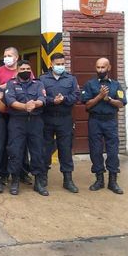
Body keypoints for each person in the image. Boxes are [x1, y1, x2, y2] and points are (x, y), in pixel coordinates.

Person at [0, 60, 46, 196]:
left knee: (37, 152)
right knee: (15, 152)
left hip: (35, 122)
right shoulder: (11, 84)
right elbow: (10, 101)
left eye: (28, 68)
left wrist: (35, 104)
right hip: (17, 122)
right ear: (18, 70)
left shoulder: (38, 83)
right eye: (23, 68)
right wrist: (25, 106)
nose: (26, 70)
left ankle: (38, 182)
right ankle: (15, 181)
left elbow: (43, 98)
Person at [81, 57, 127, 194]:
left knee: (113, 150)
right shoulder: (90, 84)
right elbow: (86, 105)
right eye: (98, 67)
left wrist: (109, 99)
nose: (100, 70)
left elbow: (121, 103)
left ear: (109, 68)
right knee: (95, 150)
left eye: (103, 67)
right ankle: (99, 179)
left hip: (110, 121)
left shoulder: (116, 85)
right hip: (95, 120)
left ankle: (113, 181)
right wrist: (99, 96)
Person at [40, 53, 81, 194]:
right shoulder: (43, 79)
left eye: (62, 63)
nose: (60, 66)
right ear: (51, 64)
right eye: (57, 64)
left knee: (65, 149)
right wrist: (52, 100)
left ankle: (68, 179)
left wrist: (64, 99)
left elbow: (76, 96)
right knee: (45, 149)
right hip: (47, 118)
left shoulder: (71, 78)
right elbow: (40, 96)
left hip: (65, 119)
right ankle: (43, 177)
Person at [0, 47, 34, 185]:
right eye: (5, 55)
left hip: (20, 114)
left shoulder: (24, 70)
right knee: (5, 145)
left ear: (16, 58)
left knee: (21, 146)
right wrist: (9, 84)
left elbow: (31, 86)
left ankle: (23, 173)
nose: (6, 58)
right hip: (3, 113)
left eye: (9, 55)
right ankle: (4, 173)